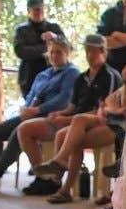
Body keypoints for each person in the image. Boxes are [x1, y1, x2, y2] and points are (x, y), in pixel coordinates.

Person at [0, 36, 77, 191]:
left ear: (67, 53)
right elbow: (30, 96)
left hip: (53, 116)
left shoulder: (71, 73)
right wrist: (26, 109)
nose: (54, 56)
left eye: (59, 52)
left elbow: (63, 100)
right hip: (32, 114)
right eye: (52, 52)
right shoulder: (42, 75)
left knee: (19, 131)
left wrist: (37, 110)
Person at [17, 34, 115, 199]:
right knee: (67, 134)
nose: (90, 55)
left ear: (103, 52)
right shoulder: (82, 77)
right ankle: (59, 185)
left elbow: (102, 110)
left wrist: (67, 119)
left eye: (94, 52)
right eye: (87, 51)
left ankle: (59, 169)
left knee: (75, 128)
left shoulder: (109, 76)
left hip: (100, 122)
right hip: (79, 122)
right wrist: (59, 114)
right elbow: (72, 106)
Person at [9, 0, 64, 97]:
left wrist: (55, 37)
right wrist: (46, 49)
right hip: (29, 78)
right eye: (35, 10)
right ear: (29, 11)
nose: (39, 12)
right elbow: (20, 51)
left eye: (41, 9)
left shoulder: (53, 28)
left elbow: (68, 46)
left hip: (52, 76)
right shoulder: (21, 30)